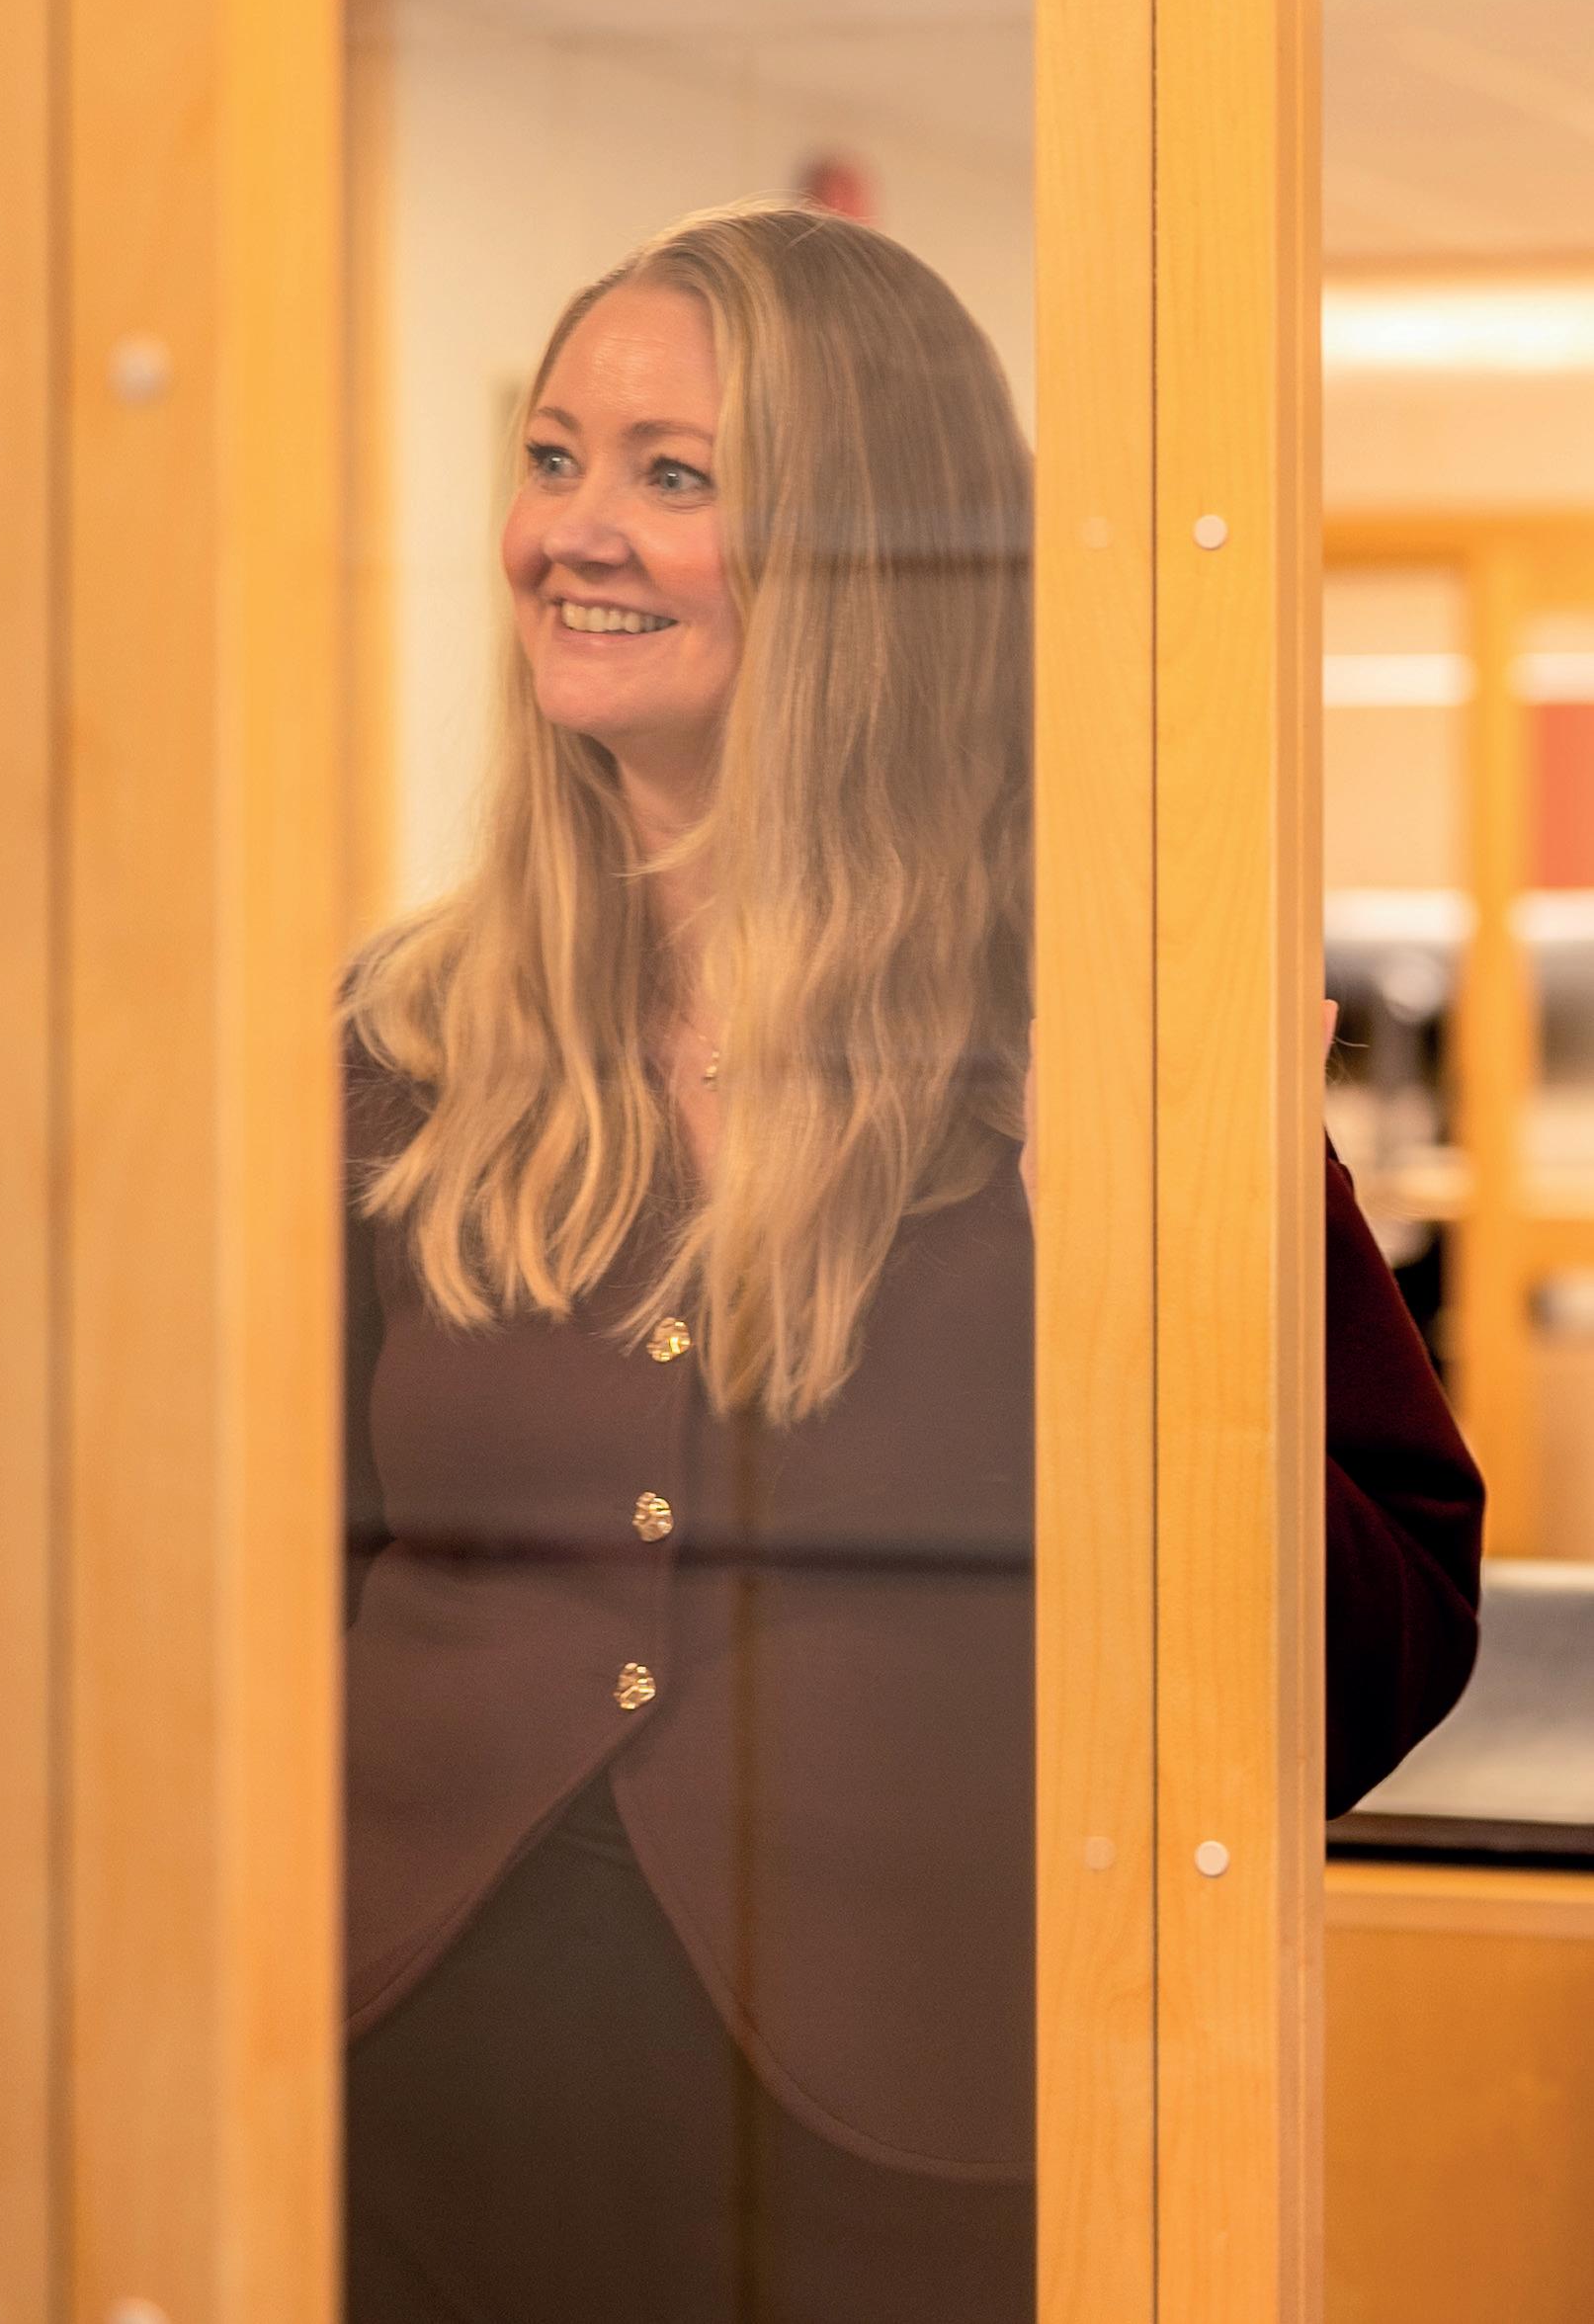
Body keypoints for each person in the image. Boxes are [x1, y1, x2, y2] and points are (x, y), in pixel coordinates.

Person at [339, 203, 1482, 2323]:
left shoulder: (1105, 1043)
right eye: (554, 455)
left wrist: (1131, 1283)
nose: (573, 529)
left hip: (919, 2157)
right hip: (405, 2108)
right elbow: (256, 1586)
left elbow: (1376, 1664)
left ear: (867, 553)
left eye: (674, 473)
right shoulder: (402, 1042)